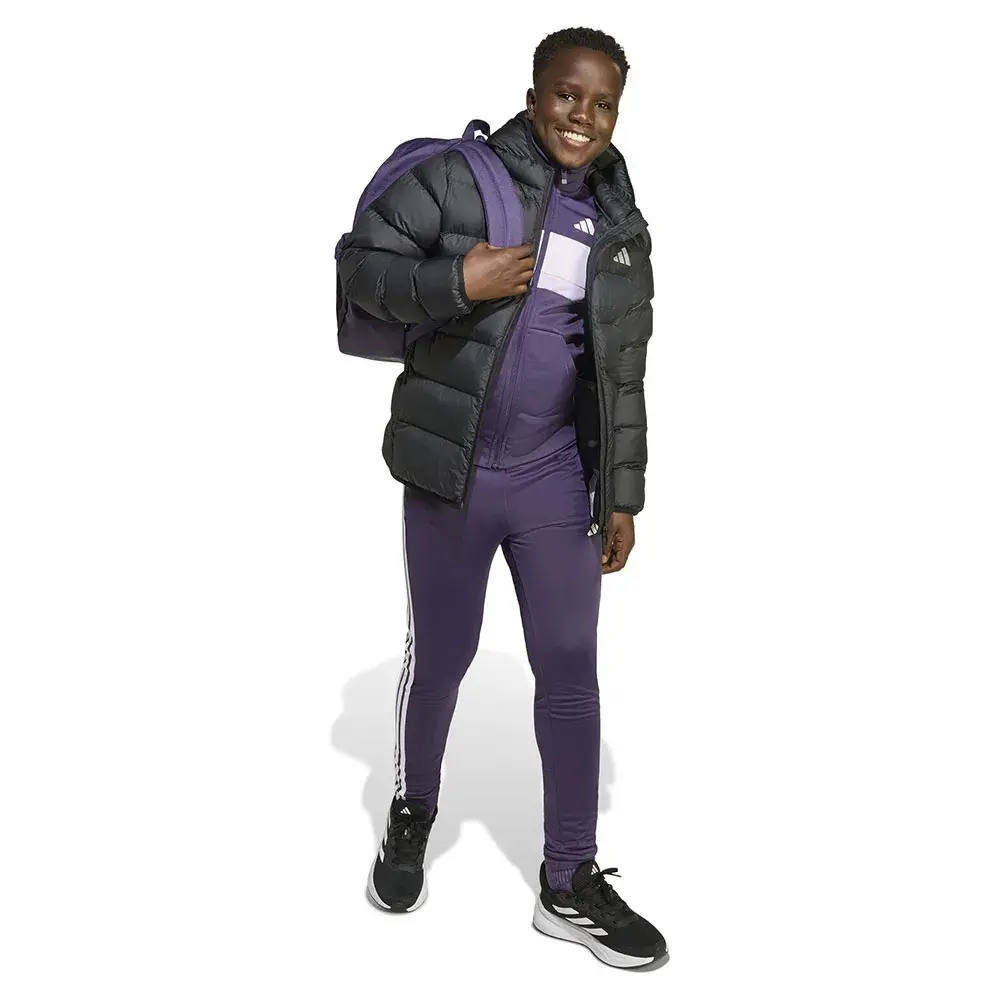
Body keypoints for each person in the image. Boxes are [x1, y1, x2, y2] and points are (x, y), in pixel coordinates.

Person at [337, 26, 666, 969]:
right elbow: (357, 271)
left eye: (603, 104)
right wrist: (457, 279)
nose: (583, 116)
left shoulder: (621, 229)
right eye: (568, 94)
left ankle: (569, 879)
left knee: (570, 666)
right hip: (456, 472)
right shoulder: (459, 180)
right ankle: (413, 811)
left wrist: (621, 495)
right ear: (533, 94)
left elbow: (624, 375)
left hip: (555, 480)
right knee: (443, 655)